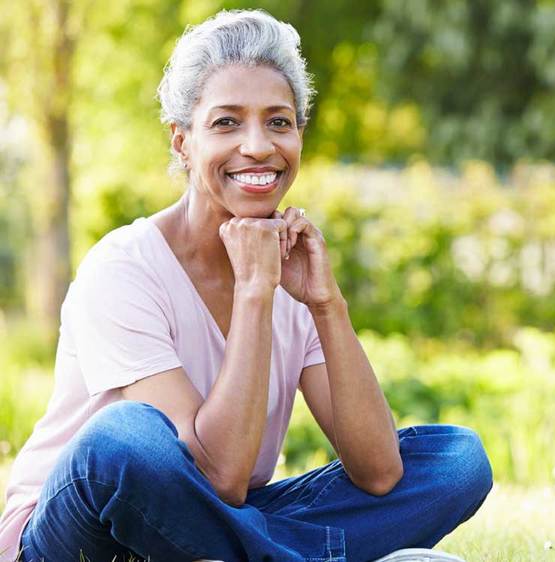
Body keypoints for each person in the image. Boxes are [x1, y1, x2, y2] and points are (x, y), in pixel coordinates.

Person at [0, 9, 492, 562]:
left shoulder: (295, 269)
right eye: (226, 122)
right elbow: (220, 476)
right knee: (125, 439)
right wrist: (255, 293)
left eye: (279, 122)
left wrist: (326, 304)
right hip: (85, 535)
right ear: (182, 142)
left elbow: (379, 473)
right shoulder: (121, 268)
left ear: (299, 136)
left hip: (210, 527)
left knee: (456, 460)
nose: (258, 146)